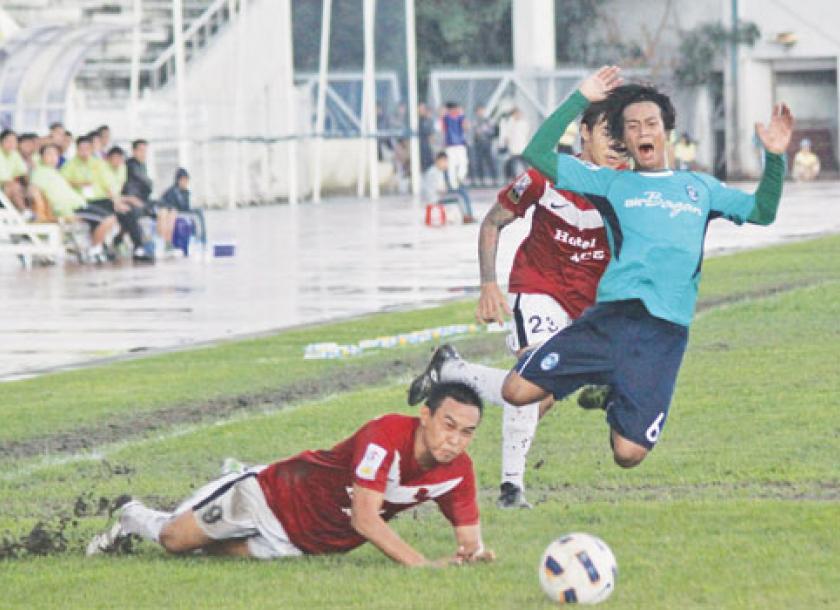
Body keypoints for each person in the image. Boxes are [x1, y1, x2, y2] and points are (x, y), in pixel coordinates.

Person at [500, 66, 793, 468]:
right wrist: (580, 98)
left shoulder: (700, 188)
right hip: (610, 319)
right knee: (515, 391)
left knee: (628, 454)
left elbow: (762, 211)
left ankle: (612, 392)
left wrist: (774, 157)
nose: (643, 132)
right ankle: (596, 373)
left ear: (666, 131)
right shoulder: (609, 183)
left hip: (664, 332)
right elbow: (537, 154)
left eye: (651, 123)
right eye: (633, 126)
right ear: (624, 139)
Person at [408, 98, 628, 508]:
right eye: (608, 133)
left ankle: (451, 370)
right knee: (535, 375)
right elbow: (493, 221)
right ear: (584, 133)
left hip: (589, 307)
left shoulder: (627, 188)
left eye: (624, 134)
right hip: (539, 288)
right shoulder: (544, 177)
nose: (619, 144)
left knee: (536, 396)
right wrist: (488, 284)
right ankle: (511, 489)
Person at [87, 382, 495, 567]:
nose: (455, 439)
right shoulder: (385, 435)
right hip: (272, 497)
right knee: (175, 541)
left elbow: (469, 542)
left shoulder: (459, 472)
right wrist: (420, 564)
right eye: (448, 425)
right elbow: (365, 518)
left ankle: (207, 507)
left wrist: (473, 556)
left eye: (466, 432)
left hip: (306, 544)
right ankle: (133, 515)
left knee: (206, 555)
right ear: (425, 415)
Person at [61, 135, 151, 262]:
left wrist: (117, 201)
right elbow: (63, 183)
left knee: (126, 211)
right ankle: (97, 249)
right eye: (81, 149)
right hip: (82, 202)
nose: (84, 152)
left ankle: (138, 248)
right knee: (105, 217)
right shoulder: (69, 166)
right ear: (77, 149)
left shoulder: (99, 164)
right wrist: (77, 183)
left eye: (87, 148)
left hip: (100, 199)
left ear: (91, 149)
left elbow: (108, 184)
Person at [29, 143, 118, 260]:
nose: (52, 158)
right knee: (109, 219)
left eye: (55, 155)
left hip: (79, 205)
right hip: (70, 210)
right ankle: (95, 249)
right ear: (41, 157)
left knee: (104, 217)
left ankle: (97, 248)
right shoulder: (39, 172)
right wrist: (42, 214)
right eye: (49, 154)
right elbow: (33, 191)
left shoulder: (54, 172)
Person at [421, 152, 476, 223]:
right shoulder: (434, 172)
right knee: (458, 196)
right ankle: (466, 216)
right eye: (444, 162)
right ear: (438, 161)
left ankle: (468, 215)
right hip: (435, 198)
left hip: (437, 195)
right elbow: (440, 190)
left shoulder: (437, 171)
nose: (446, 164)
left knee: (462, 192)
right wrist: (449, 190)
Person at [160, 167, 206, 246]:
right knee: (197, 214)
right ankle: (201, 239)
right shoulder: (172, 191)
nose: (186, 183)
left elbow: (186, 206)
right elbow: (166, 204)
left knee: (198, 212)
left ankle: (201, 238)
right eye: (184, 180)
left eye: (187, 180)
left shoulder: (184, 191)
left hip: (181, 212)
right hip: (174, 214)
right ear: (179, 180)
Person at [441, 102, 470, 188]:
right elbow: (466, 127)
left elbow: (466, 127)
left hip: (455, 144)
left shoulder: (448, 117)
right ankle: (456, 181)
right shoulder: (450, 117)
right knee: (455, 164)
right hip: (454, 144)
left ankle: (457, 180)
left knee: (457, 163)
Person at [498, 108, 531, 179]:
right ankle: (513, 179)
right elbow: (506, 136)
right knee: (513, 165)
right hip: (513, 148)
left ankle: (528, 178)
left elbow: (527, 134)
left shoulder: (524, 123)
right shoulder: (510, 123)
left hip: (523, 147)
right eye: (516, 114)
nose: (518, 115)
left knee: (525, 165)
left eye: (519, 114)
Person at [0, 129, 28, 213]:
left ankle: (23, 212)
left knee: (20, 188)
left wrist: (28, 186)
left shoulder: (15, 154)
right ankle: (23, 211)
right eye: (8, 141)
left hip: (7, 187)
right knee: (11, 187)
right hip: (5, 186)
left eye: (14, 141)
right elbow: (4, 179)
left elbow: (23, 173)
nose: (11, 144)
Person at [471, 105, 498, 186]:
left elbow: (493, 132)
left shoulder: (488, 121)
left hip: (487, 143)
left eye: (482, 110)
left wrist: (485, 131)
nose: (480, 112)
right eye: (478, 111)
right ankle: (480, 180)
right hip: (478, 144)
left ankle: (494, 179)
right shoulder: (474, 121)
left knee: (490, 162)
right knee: (479, 162)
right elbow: (472, 133)